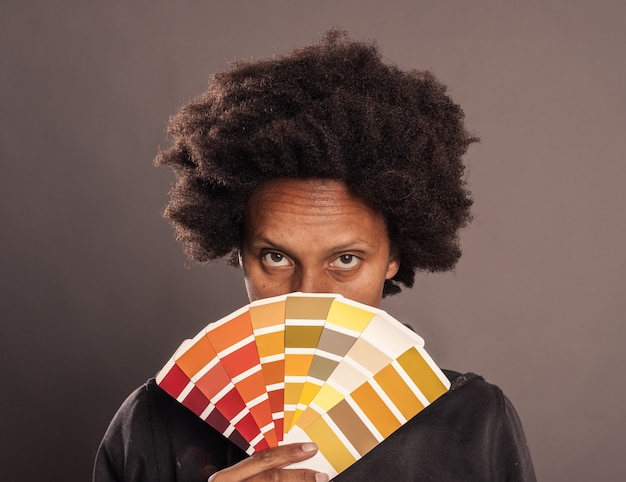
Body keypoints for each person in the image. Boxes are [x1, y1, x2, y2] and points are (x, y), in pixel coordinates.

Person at [93, 30, 536, 481]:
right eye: (276, 258)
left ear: (393, 257)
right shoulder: (153, 421)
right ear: (240, 254)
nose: (309, 295)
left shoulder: (472, 420)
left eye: (345, 260)